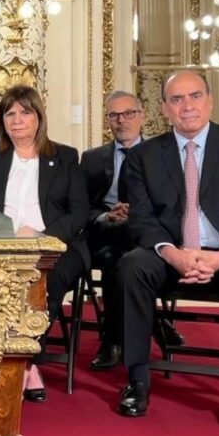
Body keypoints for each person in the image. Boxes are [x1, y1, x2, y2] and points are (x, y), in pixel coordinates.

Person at [0, 84, 88, 403]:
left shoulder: (64, 156)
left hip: (56, 245)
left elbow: (79, 212)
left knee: (46, 281)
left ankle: (25, 365)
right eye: (9, 113)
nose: (17, 120)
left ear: (39, 117)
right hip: (2, 246)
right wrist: (1, 234)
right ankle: (3, 360)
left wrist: (40, 236)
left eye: (25, 112)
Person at [116, 69, 219, 418]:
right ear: (164, 108)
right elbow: (142, 220)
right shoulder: (143, 156)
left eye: (195, 96)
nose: (187, 106)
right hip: (169, 253)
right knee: (131, 266)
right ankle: (137, 379)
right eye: (176, 99)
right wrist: (175, 255)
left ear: (210, 101)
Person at [79, 90, 145, 371]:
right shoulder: (92, 158)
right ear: (108, 120)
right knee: (114, 256)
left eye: (128, 113)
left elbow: (170, 204)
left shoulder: (159, 154)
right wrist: (106, 215)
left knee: (120, 257)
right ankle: (119, 337)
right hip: (103, 232)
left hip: (143, 234)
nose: (122, 121)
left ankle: (113, 338)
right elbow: (79, 205)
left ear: (142, 116)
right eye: (114, 115)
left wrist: (136, 213)